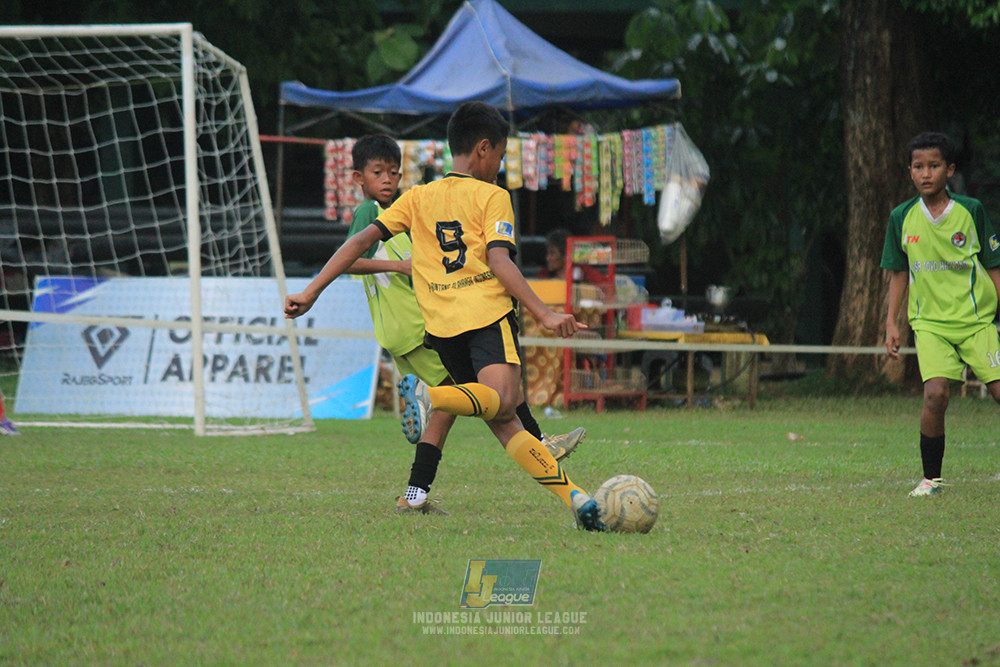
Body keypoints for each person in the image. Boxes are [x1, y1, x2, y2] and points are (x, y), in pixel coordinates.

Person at [287, 107, 604, 531]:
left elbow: (360, 242)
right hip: (485, 315)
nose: (500, 164)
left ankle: (577, 500)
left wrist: (311, 291)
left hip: (441, 327)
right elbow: (499, 259)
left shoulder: (418, 197)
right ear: (483, 149)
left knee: (505, 422)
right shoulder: (493, 196)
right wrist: (543, 312)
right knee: (506, 402)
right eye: (502, 154)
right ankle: (431, 397)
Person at [342, 134, 586, 516]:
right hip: (418, 325)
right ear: (359, 178)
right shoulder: (370, 212)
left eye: (394, 172)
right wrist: (401, 266)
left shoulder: (411, 207)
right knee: (489, 394)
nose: (388, 179)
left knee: (463, 401)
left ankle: (415, 494)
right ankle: (540, 442)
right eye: (378, 173)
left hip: (412, 327)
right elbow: (351, 257)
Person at [881, 131, 1000, 496]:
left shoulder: (971, 211)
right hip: (930, 324)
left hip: (976, 322)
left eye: (934, 166)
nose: (925, 173)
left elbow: (993, 266)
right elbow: (899, 273)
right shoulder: (901, 217)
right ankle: (931, 479)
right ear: (910, 171)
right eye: (918, 166)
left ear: (949, 170)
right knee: (935, 395)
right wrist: (891, 322)